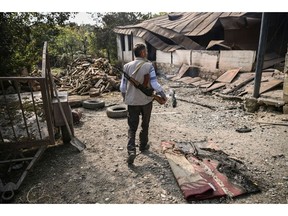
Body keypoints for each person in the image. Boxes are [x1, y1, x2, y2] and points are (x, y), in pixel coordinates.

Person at [120, 43, 167, 164]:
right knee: (145, 124)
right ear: (142, 53)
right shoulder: (149, 66)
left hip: (132, 102)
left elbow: (122, 87)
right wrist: (162, 94)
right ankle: (143, 145)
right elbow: (155, 84)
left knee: (132, 127)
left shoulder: (126, 66)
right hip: (146, 101)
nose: (147, 53)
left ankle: (131, 151)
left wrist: (126, 98)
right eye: (145, 51)